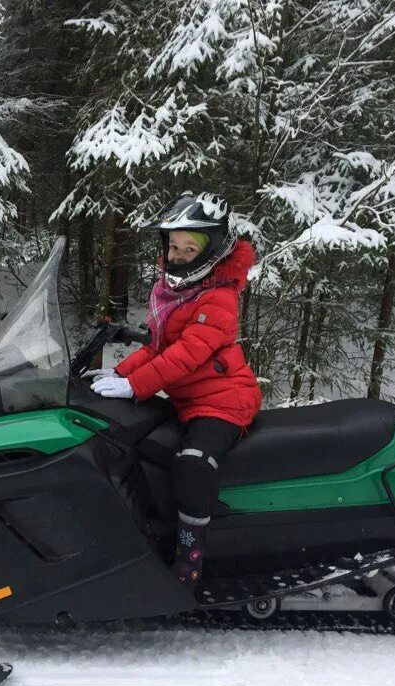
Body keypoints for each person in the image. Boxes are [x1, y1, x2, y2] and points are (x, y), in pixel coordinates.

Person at [88, 192, 262, 590]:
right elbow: (157, 348)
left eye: (189, 248)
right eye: (174, 246)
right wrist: (115, 372)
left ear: (212, 251)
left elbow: (186, 355)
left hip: (223, 402)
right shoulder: (177, 295)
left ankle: (189, 564)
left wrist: (133, 385)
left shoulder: (217, 298)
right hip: (189, 400)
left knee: (192, 464)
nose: (179, 255)